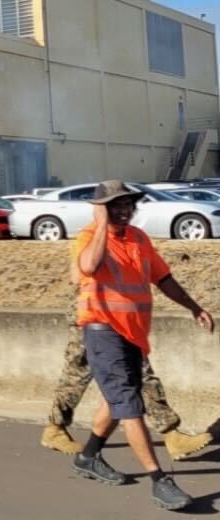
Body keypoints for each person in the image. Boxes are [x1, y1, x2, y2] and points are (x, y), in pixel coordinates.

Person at [69, 180, 214, 511]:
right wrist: (102, 224)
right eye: (115, 206)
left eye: (127, 205)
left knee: (117, 399)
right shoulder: (89, 238)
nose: (123, 211)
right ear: (101, 209)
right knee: (129, 404)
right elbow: (88, 267)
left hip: (133, 334)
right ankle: (159, 480)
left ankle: (88, 456)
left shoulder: (139, 239)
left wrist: (194, 307)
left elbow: (163, 279)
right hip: (102, 330)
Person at [40, 300, 213, 460]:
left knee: (138, 370)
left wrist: (193, 306)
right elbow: (81, 273)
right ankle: (56, 428)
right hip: (92, 312)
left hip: (122, 312)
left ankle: (171, 435)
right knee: (78, 371)